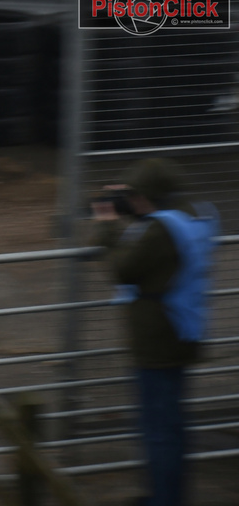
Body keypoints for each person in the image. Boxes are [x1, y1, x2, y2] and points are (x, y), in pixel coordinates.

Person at [91, 157, 218, 506]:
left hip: (157, 342)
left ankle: (164, 499)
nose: (132, 200)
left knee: (159, 430)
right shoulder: (188, 214)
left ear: (149, 195)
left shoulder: (160, 232)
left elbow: (123, 269)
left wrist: (107, 225)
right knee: (171, 425)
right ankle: (167, 494)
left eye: (135, 193)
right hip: (180, 333)